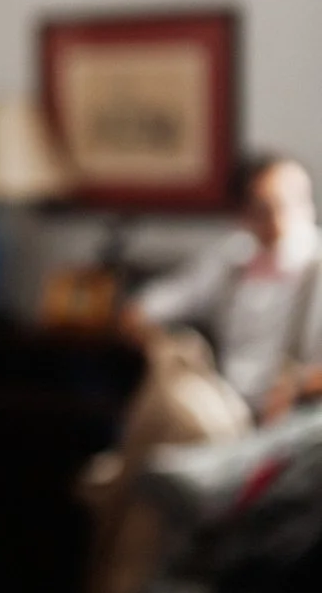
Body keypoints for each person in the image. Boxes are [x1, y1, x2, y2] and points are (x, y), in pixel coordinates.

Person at [127, 153, 322, 420]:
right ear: (245, 213)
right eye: (266, 207)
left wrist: (301, 388)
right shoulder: (233, 257)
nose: (280, 218)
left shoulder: (316, 267)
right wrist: (154, 338)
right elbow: (157, 303)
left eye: (292, 203)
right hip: (226, 409)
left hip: (297, 416)